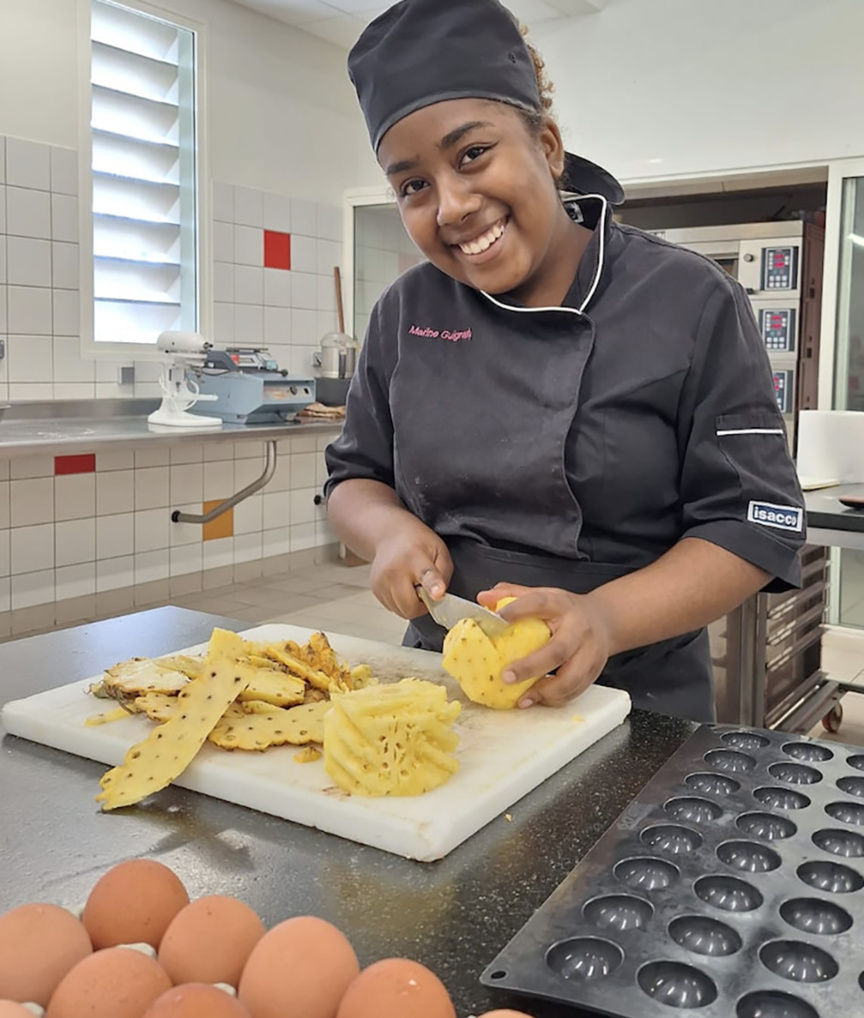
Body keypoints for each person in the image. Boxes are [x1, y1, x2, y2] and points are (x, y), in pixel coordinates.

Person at [323, 0, 806, 722]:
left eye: (472, 154)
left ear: (546, 146)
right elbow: (352, 479)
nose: (451, 205)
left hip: (636, 706)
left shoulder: (688, 299)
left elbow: (752, 522)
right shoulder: (407, 310)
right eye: (413, 185)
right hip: (439, 695)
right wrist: (389, 531)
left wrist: (604, 619)